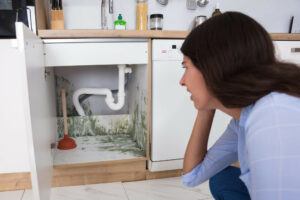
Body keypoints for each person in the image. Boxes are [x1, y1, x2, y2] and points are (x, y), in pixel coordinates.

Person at [180, 11, 300, 200]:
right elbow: (191, 177)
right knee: (222, 178)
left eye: (185, 67)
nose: (182, 81)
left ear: (213, 65)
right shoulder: (243, 119)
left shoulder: (273, 114)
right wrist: (205, 107)